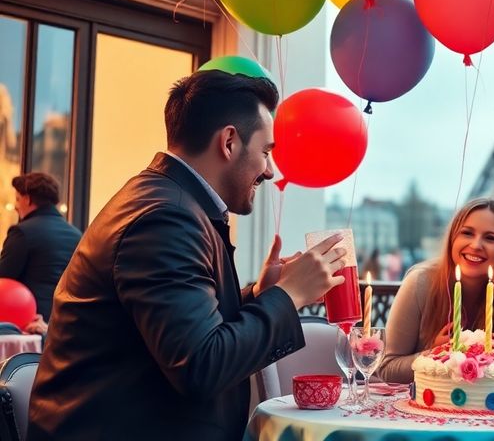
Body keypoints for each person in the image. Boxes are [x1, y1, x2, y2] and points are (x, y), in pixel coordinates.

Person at [28, 71, 348, 441]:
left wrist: (260, 296)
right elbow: (201, 366)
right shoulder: (166, 218)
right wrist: (288, 297)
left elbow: (184, 330)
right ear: (229, 141)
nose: (270, 170)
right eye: (265, 151)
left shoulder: (166, 201)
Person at [378, 197, 494, 383]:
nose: (476, 245)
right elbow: (386, 368)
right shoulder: (420, 282)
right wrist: (437, 354)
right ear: (453, 238)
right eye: (467, 233)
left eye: (490, 238)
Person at [0, 172, 82, 331]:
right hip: (65, 323)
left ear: (27, 199)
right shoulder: (77, 234)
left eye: (17, 199)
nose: (16, 206)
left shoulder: (22, 232)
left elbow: (4, 276)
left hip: (30, 325)